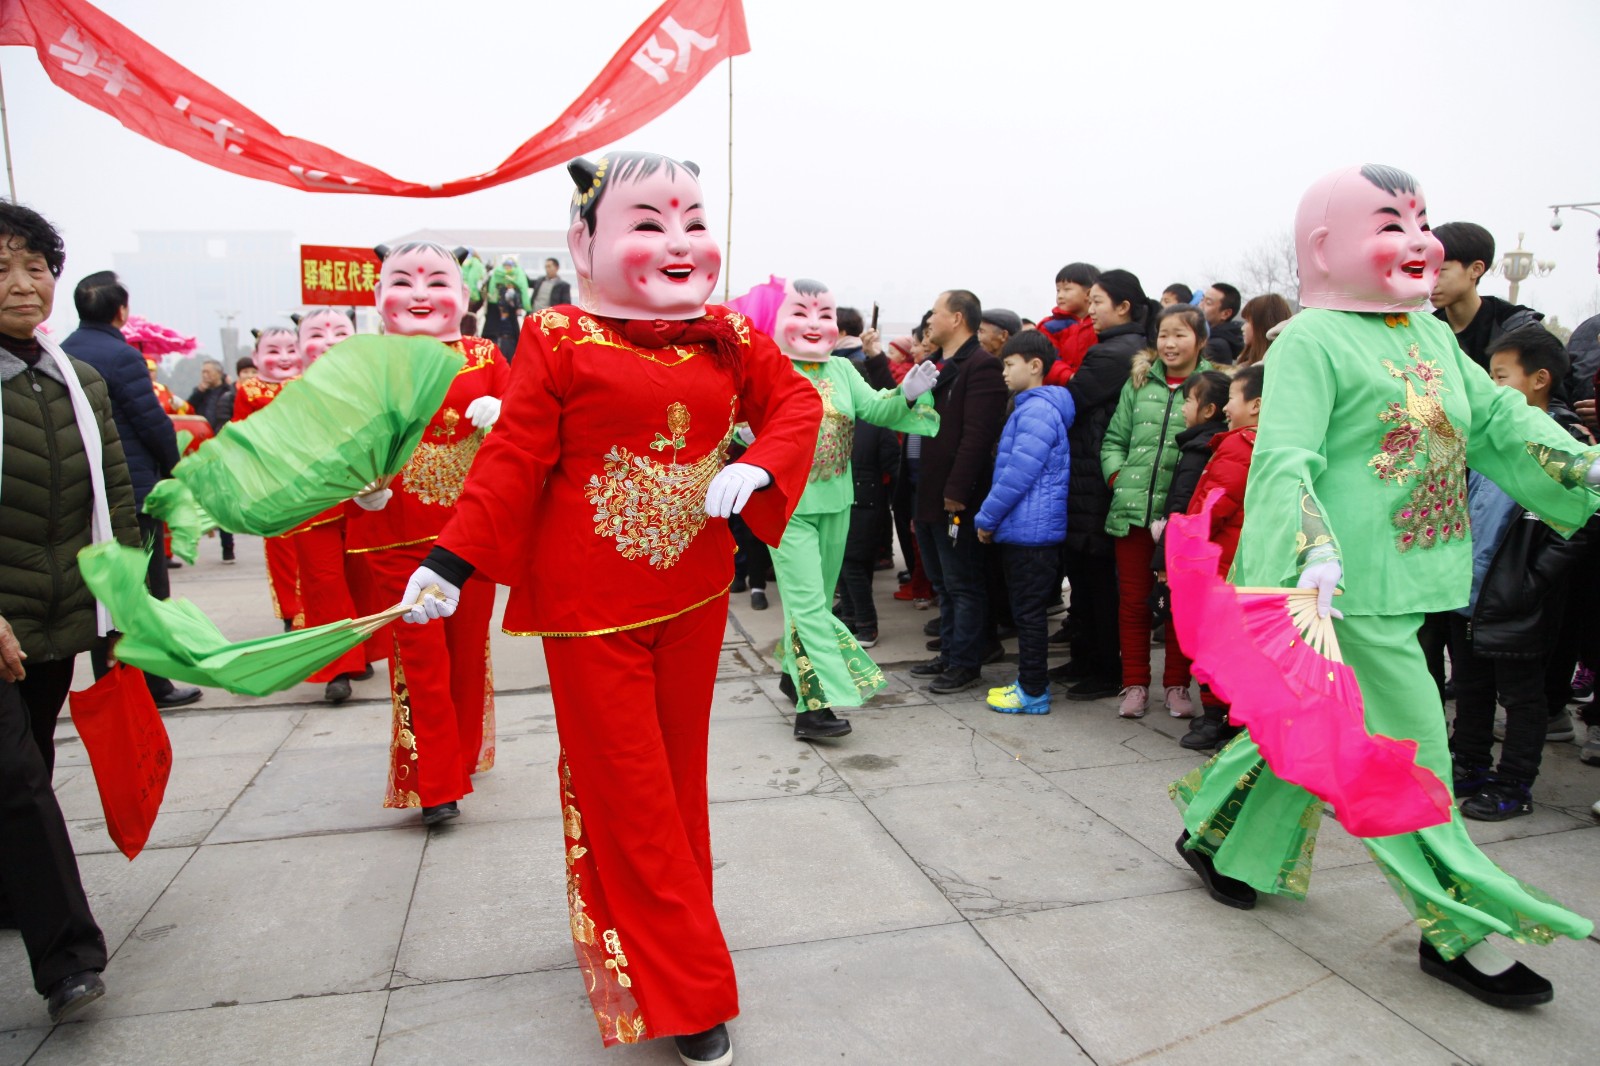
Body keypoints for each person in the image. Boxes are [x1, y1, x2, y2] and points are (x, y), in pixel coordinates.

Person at [397, 152, 821, 1064]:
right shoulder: (556, 338)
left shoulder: (729, 336)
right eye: (648, 222)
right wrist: (451, 561)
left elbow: (795, 404)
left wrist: (758, 463)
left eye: (691, 219)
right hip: (592, 612)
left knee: (674, 787)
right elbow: (511, 457)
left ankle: (655, 944)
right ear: (583, 242)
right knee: (629, 794)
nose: (677, 243)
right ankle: (689, 991)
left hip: (697, 594)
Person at [1171, 163, 1600, 1009]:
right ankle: (1459, 930)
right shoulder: (1311, 342)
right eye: (1389, 223)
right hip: (1343, 584)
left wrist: (1586, 467)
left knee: (1307, 729)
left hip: (1410, 571)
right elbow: (1285, 459)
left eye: (1421, 221)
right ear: (1328, 248)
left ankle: (1215, 839)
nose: (1416, 241)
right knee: (1409, 757)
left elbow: (1499, 422)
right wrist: (1311, 551)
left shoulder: (1430, 334)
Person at [1, 201, 143, 1023]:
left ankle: (12, 894)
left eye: (36, 267)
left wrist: (122, 605)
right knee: (17, 779)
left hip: (54, 614)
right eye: (2, 271)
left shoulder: (76, 378)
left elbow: (113, 499)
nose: (25, 287)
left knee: (30, 769)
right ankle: (68, 959)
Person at [343, 241, 509, 818]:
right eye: (403, 281)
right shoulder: (365, 361)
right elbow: (343, 439)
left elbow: (528, 433)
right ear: (378, 295)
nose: (420, 295)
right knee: (420, 658)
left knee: (466, 653)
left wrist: (503, 413)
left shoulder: (487, 356)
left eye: (436, 281)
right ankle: (435, 787)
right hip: (394, 531)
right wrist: (363, 488)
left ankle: (456, 760)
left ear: (462, 296)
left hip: (470, 532)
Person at [731, 276, 938, 736]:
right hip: (787, 506)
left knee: (820, 604)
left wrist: (906, 392)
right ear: (777, 321)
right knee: (807, 608)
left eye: (824, 315)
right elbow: (728, 417)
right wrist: (743, 433)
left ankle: (793, 676)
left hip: (837, 501)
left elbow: (879, 410)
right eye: (800, 313)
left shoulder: (844, 371)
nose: (813, 324)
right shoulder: (766, 368)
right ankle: (813, 705)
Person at [1449, 326, 1595, 820]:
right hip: (1470, 588)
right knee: (1470, 686)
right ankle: (1467, 762)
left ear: (1539, 380)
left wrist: (1533, 581)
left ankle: (1514, 783)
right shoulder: (1488, 437)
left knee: (1521, 698)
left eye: (1500, 376)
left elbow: (1580, 522)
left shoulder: (1567, 444)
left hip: (1516, 594)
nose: (1490, 386)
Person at [62, 270, 201, 708]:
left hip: (83, 491)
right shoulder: (123, 357)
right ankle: (154, 684)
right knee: (148, 588)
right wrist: (176, 467)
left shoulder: (63, 352)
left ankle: (111, 681)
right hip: (133, 489)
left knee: (104, 589)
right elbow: (151, 421)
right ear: (121, 311)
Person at [1101, 303, 1211, 718]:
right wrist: (1119, 480)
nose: (1169, 343)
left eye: (1180, 335)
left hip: (1184, 517)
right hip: (1132, 512)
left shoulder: (1213, 385)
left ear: (1200, 341)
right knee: (1132, 602)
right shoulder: (1139, 381)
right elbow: (1113, 441)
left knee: (1180, 604)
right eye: (1164, 334)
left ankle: (1177, 686)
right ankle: (1134, 684)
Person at [1053, 269, 1155, 699]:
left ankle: (1104, 668)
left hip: (1097, 479)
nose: (1089, 311)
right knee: (1084, 572)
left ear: (1124, 307)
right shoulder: (1113, 347)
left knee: (1096, 576)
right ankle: (1087, 657)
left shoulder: (1117, 352)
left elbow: (1073, 399)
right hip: (1087, 475)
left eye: (1097, 302)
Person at [909, 288, 1008, 694]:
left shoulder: (980, 367)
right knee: (943, 582)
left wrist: (957, 490)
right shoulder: (938, 365)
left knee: (963, 581)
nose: (930, 320)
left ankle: (966, 662)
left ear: (958, 318)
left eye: (936, 312)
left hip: (955, 495)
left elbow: (976, 436)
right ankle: (950, 652)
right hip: (928, 492)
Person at [975, 331, 1074, 715]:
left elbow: (1018, 473)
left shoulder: (1036, 410)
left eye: (1009, 364)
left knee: (1029, 616)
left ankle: (1033, 691)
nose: (1003, 372)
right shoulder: (1033, 406)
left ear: (1034, 366)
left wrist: (987, 517)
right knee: (1027, 613)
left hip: (1030, 532)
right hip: (1029, 529)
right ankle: (1030, 685)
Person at [1168, 365, 1261, 751]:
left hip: (1219, 562)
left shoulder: (1238, 445)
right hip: (1241, 559)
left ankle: (1216, 718)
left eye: (1233, 399)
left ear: (1255, 405)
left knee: (1213, 645)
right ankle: (1235, 717)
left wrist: (1185, 537)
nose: (1225, 407)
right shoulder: (1260, 442)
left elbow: (1213, 506)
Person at [1429, 221, 1544, 370]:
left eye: (1440, 271)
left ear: (1476, 269)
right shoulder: (1427, 331)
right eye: (1424, 271)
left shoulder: (1518, 331)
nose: (1429, 282)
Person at [1038, 262, 1099, 383]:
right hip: (1061, 388)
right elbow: (1048, 360)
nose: (1060, 295)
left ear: (1088, 293)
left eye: (1067, 289)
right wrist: (1069, 377)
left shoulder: (1101, 322)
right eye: (1058, 290)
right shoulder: (1049, 326)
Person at [482, 254, 528, 358]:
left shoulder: (516, 293)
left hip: (510, 335)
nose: (508, 268)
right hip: (493, 333)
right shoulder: (493, 287)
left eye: (511, 265)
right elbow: (484, 295)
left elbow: (519, 305)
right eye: (506, 265)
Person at [1234, 293, 1293, 368]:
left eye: (1248, 321)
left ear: (1262, 325)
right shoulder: (1246, 363)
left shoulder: (1273, 368)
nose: (1242, 328)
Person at [1199, 282, 1243, 364]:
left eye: (1208, 303)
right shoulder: (1210, 337)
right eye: (1202, 300)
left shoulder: (1216, 345)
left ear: (1225, 314)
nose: (1200, 305)